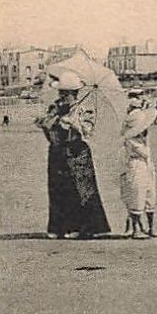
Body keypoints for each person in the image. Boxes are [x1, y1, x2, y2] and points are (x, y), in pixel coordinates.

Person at [35, 74, 111, 238]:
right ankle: (59, 227)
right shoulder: (55, 108)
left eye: (65, 93)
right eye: (60, 93)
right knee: (57, 188)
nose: (62, 96)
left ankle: (84, 227)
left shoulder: (83, 108)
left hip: (77, 151)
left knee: (80, 189)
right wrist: (49, 123)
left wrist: (73, 122)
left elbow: (88, 131)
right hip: (57, 151)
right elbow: (47, 128)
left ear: (73, 93)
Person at [120, 92, 157, 237]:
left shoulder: (142, 139)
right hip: (136, 166)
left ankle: (150, 226)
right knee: (137, 195)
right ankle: (135, 227)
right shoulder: (131, 140)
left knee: (150, 194)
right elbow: (143, 153)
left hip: (146, 165)